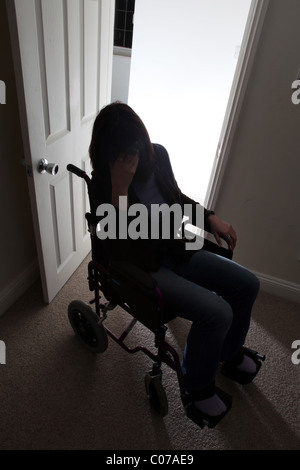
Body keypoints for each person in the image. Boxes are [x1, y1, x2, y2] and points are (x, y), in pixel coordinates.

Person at [89, 102, 262, 427]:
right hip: (145, 265)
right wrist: (120, 191)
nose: (133, 156)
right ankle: (196, 389)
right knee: (217, 312)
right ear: (109, 153)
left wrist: (211, 217)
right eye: (123, 152)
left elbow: (176, 198)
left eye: (136, 145)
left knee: (247, 284)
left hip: (176, 246)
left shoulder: (157, 156)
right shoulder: (104, 182)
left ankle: (228, 353)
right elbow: (121, 249)